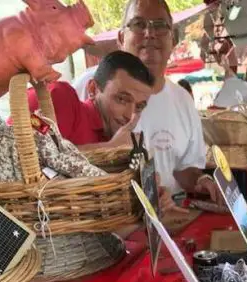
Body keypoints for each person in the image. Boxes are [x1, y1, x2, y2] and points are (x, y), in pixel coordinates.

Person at [74, 0, 221, 203]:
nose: (150, 33)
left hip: (167, 221)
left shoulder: (183, 101)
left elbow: (185, 168)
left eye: (160, 25)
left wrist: (202, 180)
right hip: (102, 224)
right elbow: (53, 156)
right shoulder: (90, 85)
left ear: (174, 39)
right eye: (138, 24)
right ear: (120, 37)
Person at [26, 51, 184, 217]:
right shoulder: (60, 96)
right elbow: (18, 158)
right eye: (122, 99)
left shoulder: (121, 139)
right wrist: (110, 148)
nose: (129, 115)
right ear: (93, 89)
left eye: (139, 107)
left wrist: (151, 195)